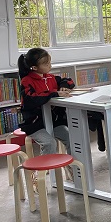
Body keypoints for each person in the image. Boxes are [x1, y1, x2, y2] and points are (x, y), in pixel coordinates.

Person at [18, 48, 75, 190]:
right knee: (49, 143)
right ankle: (40, 176)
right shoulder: (26, 81)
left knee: (71, 138)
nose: (50, 65)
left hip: (54, 121)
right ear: (34, 67)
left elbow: (69, 81)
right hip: (35, 123)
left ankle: (71, 168)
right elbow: (31, 99)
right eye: (46, 63)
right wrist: (54, 94)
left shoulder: (50, 78)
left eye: (50, 62)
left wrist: (63, 87)